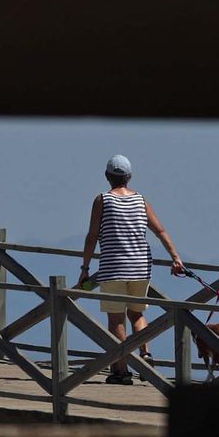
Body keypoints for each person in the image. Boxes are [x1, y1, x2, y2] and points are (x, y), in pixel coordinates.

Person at [77, 155, 186, 384]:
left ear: (107, 176)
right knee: (137, 314)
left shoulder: (103, 200)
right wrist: (176, 258)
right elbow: (160, 231)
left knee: (116, 319)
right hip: (141, 266)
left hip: (113, 268)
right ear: (129, 177)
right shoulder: (140, 200)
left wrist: (85, 267)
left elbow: (92, 236)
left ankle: (122, 371)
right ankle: (145, 355)